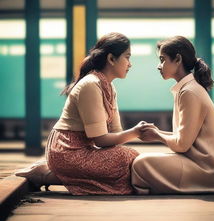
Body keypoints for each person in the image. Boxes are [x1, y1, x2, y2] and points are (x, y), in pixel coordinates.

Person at [16, 32, 153, 195]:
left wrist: (134, 134)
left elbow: (115, 135)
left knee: (131, 157)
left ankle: (58, 173)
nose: (130, 64)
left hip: (85, 150)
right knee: (126, 160)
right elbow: (101, 140)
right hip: (67, 151)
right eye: (127, 57)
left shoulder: (109, 87)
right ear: (111, 59)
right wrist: (135, 133)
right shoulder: (90, 85)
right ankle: (46, 174)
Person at [131, 36, 214, 194]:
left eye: (162, 59)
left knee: (140, 163)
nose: (158, 66)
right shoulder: (188, 88)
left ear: (177, 59)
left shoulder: (189, 92)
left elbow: (182, 145)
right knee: (140, 160)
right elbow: (185, 138)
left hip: (205, 171)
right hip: (201, 166)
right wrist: (158, 132)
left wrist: (157, 135)